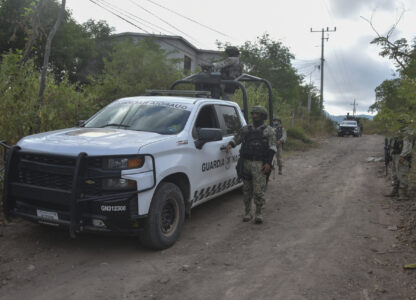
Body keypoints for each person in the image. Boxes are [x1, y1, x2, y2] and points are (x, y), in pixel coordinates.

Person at [226, 106, 276, 223]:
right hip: (246, 163)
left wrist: (268, 163)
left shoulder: (269, 130)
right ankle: (248, 213)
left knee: (259, 191)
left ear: (263, 116)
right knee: (247, 191)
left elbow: (272, 148)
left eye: (257, 114)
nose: (254, 116)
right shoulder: (246, 129)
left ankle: (259, 213)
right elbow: (237, 138)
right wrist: (230, 144)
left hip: (260, 164)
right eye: (253, 114)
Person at [385, 114, 415, 200]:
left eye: (401, 122)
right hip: (395, 155)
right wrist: (390, 154)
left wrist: (403, 155)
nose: (399, 123)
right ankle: (395, 191)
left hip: (402, 156)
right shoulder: (399, 132)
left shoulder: (408, 132)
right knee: (395, 174)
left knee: (402, 174)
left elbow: (408, 146)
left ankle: (403, 194)